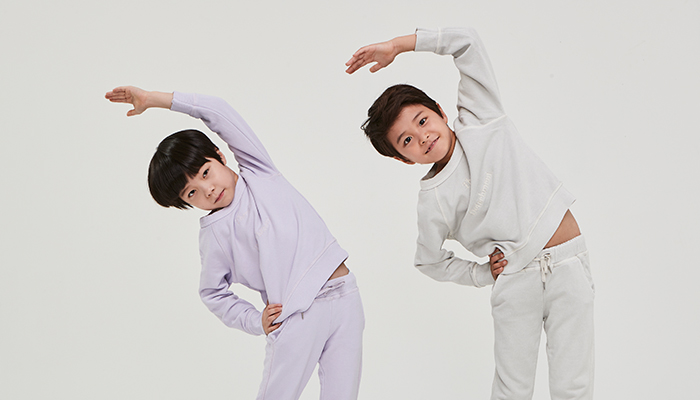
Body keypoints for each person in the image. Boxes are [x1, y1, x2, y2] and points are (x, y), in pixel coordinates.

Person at [346, 27, 594, 400]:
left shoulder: (481, 118)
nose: (422, 136)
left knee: (574, 385)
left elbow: (467, 43)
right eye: (406, 140)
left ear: (440, 111)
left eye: (422, 121)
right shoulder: (434, 200)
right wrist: (480, 274)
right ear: (403, 158)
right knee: (512, 389)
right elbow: (428, 261)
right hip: (515, 281)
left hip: (568, 263)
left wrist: (398, 46)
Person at [105, 87, 364, 400]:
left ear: (219, 155)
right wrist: (255, 321)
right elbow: (212, 293)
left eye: (205, 172)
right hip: (297, 316)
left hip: (345, 297)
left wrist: (155, 100)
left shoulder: (258, 171)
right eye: (191, 193)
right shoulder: (214, 234)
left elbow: (218, 111)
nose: (207, 189)